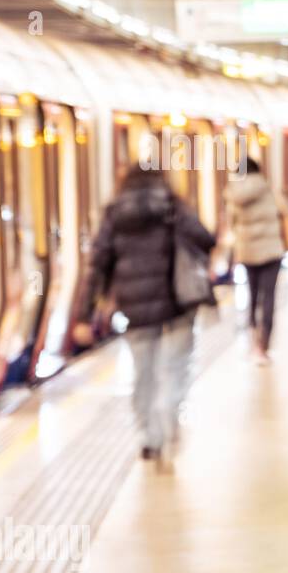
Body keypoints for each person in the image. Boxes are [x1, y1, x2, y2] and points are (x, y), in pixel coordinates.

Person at [72, 165, 216, 463]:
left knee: (143, 371)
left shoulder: (114, 215)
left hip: (134, 306)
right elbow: (205, 239)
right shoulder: (172, 206)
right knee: (176, 367)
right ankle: (169, 411)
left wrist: (84, 315)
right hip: (177, 301)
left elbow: (98, 264)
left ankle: (150, 436)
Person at [224, 159, 288, 365]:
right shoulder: (268, 188)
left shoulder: (233, 194)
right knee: (268, 297)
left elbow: (231, 222)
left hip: (248, 251)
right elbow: (285, 211)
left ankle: (253, 340)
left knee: (252, 296)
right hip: (271, 251)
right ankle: (264, 345)